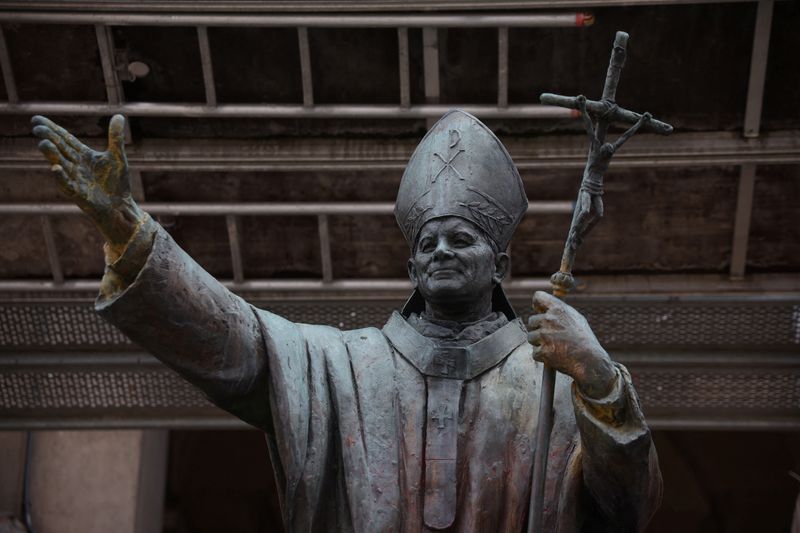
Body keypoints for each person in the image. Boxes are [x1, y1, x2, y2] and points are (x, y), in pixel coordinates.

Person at [31, 109, 661, 532]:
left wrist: (601, 382)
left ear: (500, 262)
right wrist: (129, 231)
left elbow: (629, 508)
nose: (441, 251)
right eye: (428, 243)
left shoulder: (551, 378)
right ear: (411, 266)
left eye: (461, 239)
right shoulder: (343, 364)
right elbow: (234, 341)